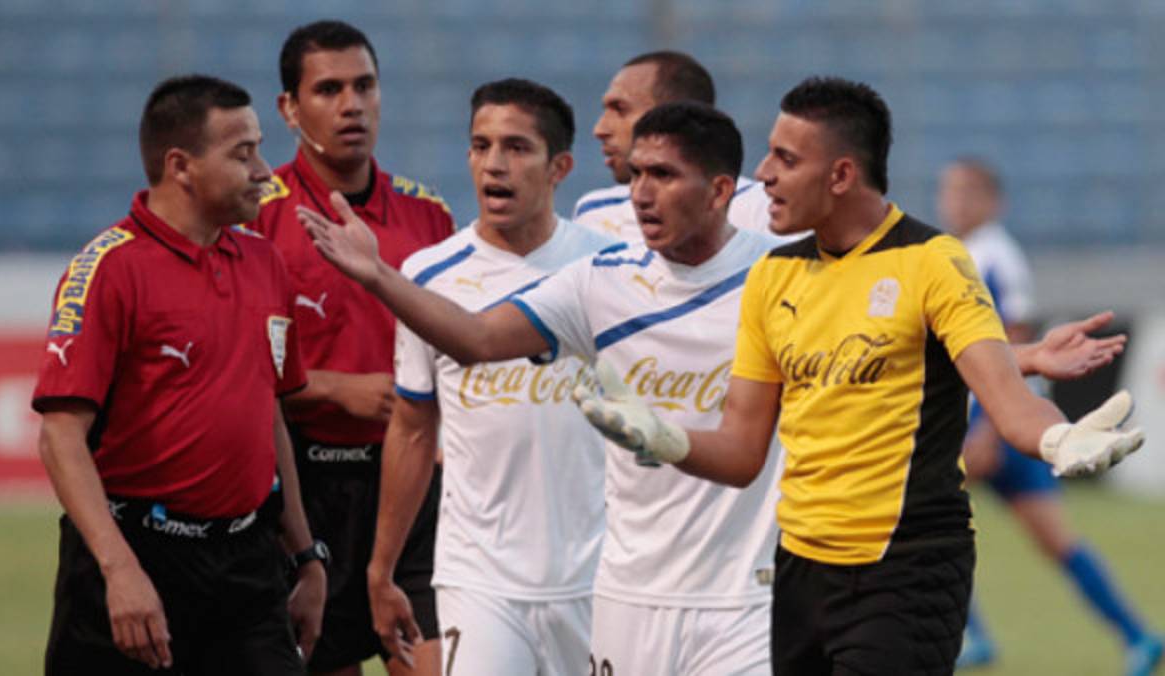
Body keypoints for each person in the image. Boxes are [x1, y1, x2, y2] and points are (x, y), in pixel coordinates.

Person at [299, 99, 1122, 675]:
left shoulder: (782, 273)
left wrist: (1025, 375)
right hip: (626, 591)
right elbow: (476, 340)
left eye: (662, 173)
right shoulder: (605, 281)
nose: (639, 192)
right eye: (637, 173)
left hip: (755, 593)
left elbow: (892, 344)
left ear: (723, 189)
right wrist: (375, 273)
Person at [572, 76, 1144, 676]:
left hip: (906, 572)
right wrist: (664, 438)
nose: (762, 173)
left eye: (786, 159)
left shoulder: (934, 261)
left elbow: (1005, 396)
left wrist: (1058, 438)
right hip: (796, 574)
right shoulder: (773, 277)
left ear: (841, 176)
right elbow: (742, 451)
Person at [33, 74, 325, 675]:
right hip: (139, 556)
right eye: (242, 153)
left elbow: (266, 410)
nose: (265, 170)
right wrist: (121, 571)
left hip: (247, 567)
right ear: (180, 166)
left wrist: (305, 555)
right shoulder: (108, 270)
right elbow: (60, 436)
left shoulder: (264, 262)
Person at [367, 78, 612, 674]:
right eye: (481, 146)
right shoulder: (428, 274)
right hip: (479, 578)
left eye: (517, 148)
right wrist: (383, 566)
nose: (494, 165)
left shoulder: (607, 269)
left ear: (560, 167)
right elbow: (414, 427)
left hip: (598, 575)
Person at [246, 20, 454, 676]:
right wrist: (339, 387)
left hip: (414, 486)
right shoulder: (259, 219)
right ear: (289, 107)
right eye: (329, 89)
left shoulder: (430, 216)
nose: (351, 104)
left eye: (364, 85)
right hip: (308, 489)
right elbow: (245, 367)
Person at [938, 158, 1163, 676]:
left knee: (912, 514)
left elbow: (1015, 337)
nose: (957, 201)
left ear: (993, 201)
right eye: (951, 191)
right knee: (1050, 539)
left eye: (968, 191)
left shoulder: (996, 255)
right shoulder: (959, 252)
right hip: (996, 424)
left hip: (996, 423)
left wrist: (990, 427)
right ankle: (1136, 635)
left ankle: (973, 634)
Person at [574, 51, 773, 240]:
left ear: (673, 115)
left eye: (620, 109)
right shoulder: (595, 212)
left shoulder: (761, 210)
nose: (600, 129)